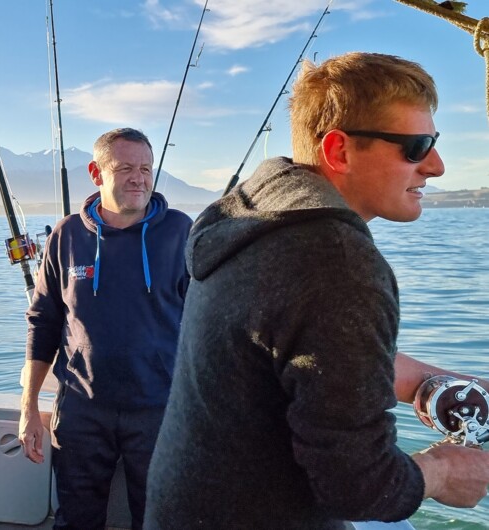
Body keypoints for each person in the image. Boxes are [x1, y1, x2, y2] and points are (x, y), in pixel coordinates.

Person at [144, 52, 489, 529]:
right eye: (415, 146)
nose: (437, 166)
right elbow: (359, 486)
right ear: (339, 151)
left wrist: (449, 385)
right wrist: (445, 471)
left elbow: (309, 353)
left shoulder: (247, 216)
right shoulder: (337, 263)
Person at [19, 128, 193, 529]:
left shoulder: (181, 232)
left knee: (160, 521)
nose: (139, 177)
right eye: (126, 167)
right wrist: (29, 406)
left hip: (160, 408)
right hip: (82, 408)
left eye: (146, 168)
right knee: (76, 521)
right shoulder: (66, 235)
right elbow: (42, 322)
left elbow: (208, 324)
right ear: (97, 173)